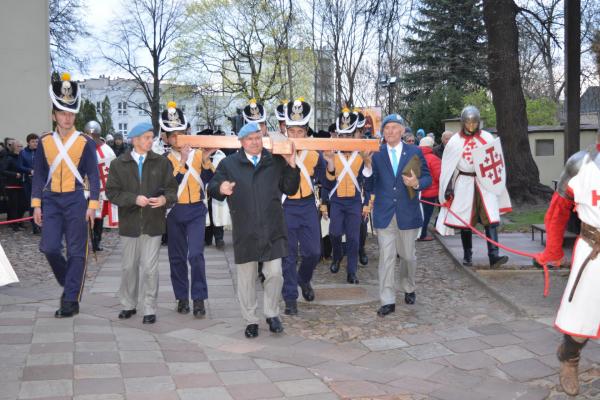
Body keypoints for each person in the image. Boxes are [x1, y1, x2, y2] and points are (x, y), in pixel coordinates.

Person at [208, 122, 299, 338]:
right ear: (241, 142)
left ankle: (271, 313)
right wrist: (220, 188)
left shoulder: (274, 161)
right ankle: (250, 320)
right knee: (247, 278)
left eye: (258, 137)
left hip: (272, 227)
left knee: (275, 274)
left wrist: (292, 165)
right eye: (250, 139)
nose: (255, 142)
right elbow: (213, 186)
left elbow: (291, 188)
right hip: (245, 228)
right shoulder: (229, 164)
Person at [533, 136, 600, 396]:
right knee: (582, 313)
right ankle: (569, 358)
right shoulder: (580, 165)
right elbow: (557, 211)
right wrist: (552, 250)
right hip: (592, 250)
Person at [31, 72, 100, 318]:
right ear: (54, 115)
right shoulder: (45, 141)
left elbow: (94, 176)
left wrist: (92, 205)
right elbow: (39, 175)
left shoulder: (85, 142)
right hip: (51, 200)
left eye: (71, 113)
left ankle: (71, 299)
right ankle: (69, 281)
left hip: (75, 200)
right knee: (49, 248)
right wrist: (36, 205)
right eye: (62, 112)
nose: (67, 118)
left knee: (76, 252)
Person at [105, 122, 178, 324]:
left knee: (149, 268)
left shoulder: (162, 163)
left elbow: (172, 190)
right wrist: (133, 199)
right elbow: (112, 192)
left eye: (151, 137)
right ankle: (128, 304)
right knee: (129, 267)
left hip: (153, 223)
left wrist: (165, 200)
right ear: (134, 140)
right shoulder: (118, 164)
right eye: (146, 137)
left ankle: (149, 308)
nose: (150, 141)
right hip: (129, 224)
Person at [363, 114, 431, 316]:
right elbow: (369, 183)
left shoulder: (414, 151)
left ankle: (408, 286)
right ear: (382, 132)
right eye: (387, 128)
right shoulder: (377, 153)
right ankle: (387, 299)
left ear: (402, 131)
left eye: (394, 128)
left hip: (407, 213)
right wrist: (367, 166)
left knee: (408, 257)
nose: (390, 131)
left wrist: (416, 183)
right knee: (386, 258)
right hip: (384, 213)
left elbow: (427, 177)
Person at [436, 106, 511, 268]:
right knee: (465, 222)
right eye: (468, 123)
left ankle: (494, 256)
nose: (471, 126)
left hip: (485, 183)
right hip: (464, 183)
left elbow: (496, 160)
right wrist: (448, 188)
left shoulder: (487, 138)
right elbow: (448, 167)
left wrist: (496, 182)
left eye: (474, 123)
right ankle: (467, 255)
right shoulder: (455, 141)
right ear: (463, 123)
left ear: (478, 123)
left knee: (491, 220)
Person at [162, 102, 215, 318]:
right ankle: (181, 297)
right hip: (174, 212)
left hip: (195, 211)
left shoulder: (198, 154)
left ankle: (199, 298)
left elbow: (210, 180)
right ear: (166, 138)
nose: (178, 139)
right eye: (173, 135)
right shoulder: (164, 160)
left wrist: (207, 159)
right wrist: (181, 162)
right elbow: (168, 187)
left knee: (196, 255)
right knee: (176, 257)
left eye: (181, 133)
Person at [280, 99, 325, 315]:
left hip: (307, 205)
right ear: (285, 130)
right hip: (286, 206)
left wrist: (332, 164)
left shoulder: (315, 152)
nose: (296, 136)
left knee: (313, 252)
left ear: (306, 132)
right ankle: (290, 297)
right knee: (288, 255)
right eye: (292, 131)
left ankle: (303, 279)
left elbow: (327, 178)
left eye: (300, 131)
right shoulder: (277, 152)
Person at [323, 108, 371, 284]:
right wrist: (329, 163)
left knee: (353, 237)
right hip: (337, 200)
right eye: (342, 135)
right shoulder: (332, 153)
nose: (345, 139)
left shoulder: (361, 153)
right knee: (334, 233)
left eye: (349, 135)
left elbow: (367, 177)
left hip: (353, 201)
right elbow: (327, 182)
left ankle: (352, 271)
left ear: (354, 135)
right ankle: (337, 256)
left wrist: (367, 162)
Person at [84, 121, 117, 251]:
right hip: (84, 188)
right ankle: (83, 241)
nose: (91, 137)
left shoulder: (107, 151)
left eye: (94, 135)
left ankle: (96, 241)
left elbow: (113, 170)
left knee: (98, 217)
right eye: (88, 135)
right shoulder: (81, 148)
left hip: (101, 189)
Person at [353, 109, 371, 266]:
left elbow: (371, 175)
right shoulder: (341, 145)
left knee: (362, 222)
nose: (355, 135)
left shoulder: (367, 147)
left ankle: (361, 249)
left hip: (362, 189)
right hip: (342, 191)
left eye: (358, 131)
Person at [417, 136, 441, 241]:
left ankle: (417, 233)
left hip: (417, 191)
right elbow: (438, 176)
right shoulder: (433, 158)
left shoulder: (414, 156)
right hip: (430, 192)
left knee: (419, 214)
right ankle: (422, 234)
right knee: (426, 215)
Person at [1, 140, 26, 231]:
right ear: (14, 147)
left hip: (22, 184)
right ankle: (14, 225)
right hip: (11, 185)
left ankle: (19, 221)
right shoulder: (8, 158)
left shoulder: (21, 157)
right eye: (19, 146)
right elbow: (3, 170)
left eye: (21, 146)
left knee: (23, 205)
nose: (21, 147)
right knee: (14, 206)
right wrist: (15, 174)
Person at [18, 134, 40, 234]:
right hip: (28, 182)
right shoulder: (23, 153)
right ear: (28, 142)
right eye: (33, 141)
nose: (35, 143)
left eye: (37, 141)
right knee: (32, 204)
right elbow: (19, 166)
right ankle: (34, 225)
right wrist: (30, 171)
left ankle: (41, 224)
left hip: (40, 182)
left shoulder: (40, 152)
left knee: (41, 203)